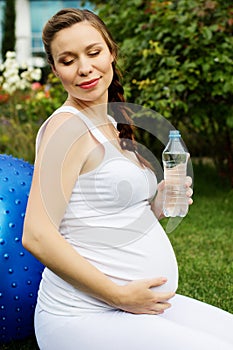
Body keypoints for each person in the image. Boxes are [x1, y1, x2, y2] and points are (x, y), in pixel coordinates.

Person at [22, 8, 233, 350]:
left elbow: (101, 217)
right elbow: (37, 235)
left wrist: (156, 206)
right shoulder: (67, 127)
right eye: (68, 60)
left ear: (111, 52)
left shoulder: (109, 124)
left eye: (94, 52)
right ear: (55, 69)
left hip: (137, 306)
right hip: (85, 317)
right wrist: (119, 295)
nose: (85, 68)